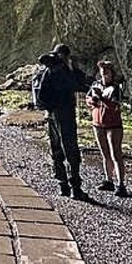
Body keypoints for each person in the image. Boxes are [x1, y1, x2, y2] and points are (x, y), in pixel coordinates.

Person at [31, 43, 90, 199]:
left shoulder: (48, 70)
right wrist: (75, 68)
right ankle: (75, 188)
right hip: (64, 113)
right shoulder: (61, 71)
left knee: (56, 149)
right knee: (70, 149)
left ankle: (62, 185)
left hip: (51, 113)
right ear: (66, 56)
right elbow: (79, 84)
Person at [88, 56, 129, 196]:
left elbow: (116, 106)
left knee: (116, 153)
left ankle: (121, 184)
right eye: (102, 71)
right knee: (104, 153)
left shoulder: (116, 88)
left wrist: (102, 99)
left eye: (107, 71)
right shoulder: (96, 84)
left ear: (112, 73)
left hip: (113, 124)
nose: (104, 73)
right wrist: (93, 101)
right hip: (98, 123)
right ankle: (109, 180)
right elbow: (88, 99)